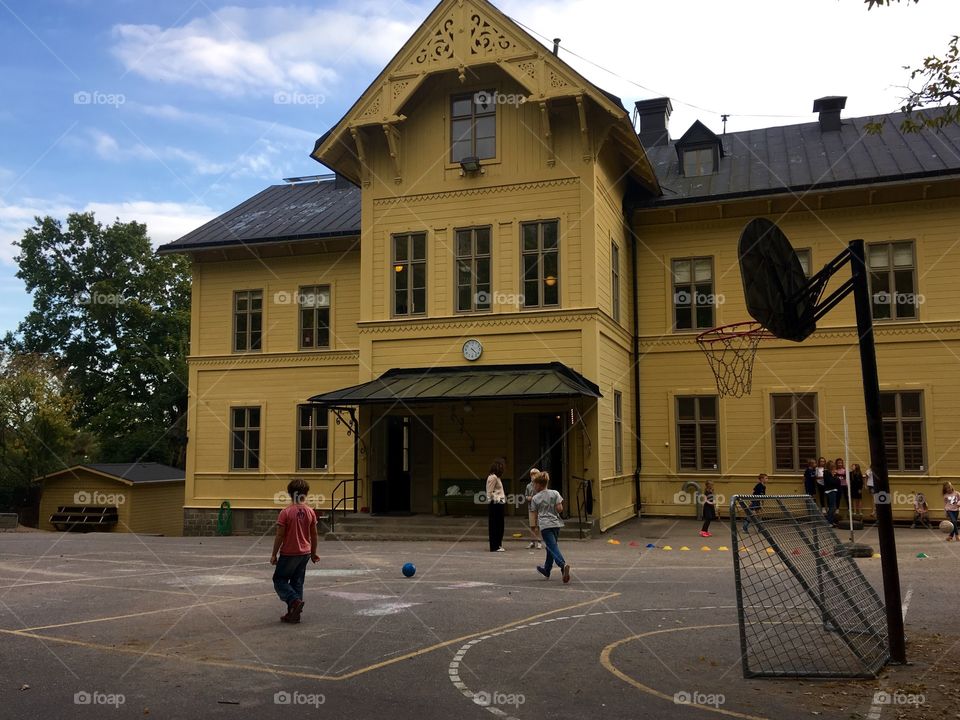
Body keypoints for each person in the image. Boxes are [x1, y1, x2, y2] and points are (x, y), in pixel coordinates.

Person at [271, 478, 320, 624]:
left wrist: (274, 554)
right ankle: (294, 614)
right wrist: (313, 552)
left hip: (289, 553)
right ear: (306, 494)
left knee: (279, 579)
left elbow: (280, 535)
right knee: (297, 582)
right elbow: (314, 534)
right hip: (304, 553)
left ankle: (294, 602)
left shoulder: (285, 512)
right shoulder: (310, 511)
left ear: (289, 494)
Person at [531, 472, 570, 583]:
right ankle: (547, 570)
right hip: (556, 524)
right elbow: (560, 508)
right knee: (551, 547)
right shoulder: (555, 493)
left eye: (535, 484)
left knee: (552, 547)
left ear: (539, 484)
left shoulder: (535, 498)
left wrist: (535, 530)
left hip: (545, 525)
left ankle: (563, 565)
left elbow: (534, 515)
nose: (534, 487)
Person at [486, 458, 507, 552]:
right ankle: (494, 546)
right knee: (495, 525)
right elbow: (489, 492)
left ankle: (498, 544)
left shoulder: (497, 477)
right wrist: (498, 499)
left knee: (499, 525)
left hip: (499, 503)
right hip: (495, 503)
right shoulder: (493, 477)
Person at [525, 468, 543, 550]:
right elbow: (526, 496)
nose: (533, 476)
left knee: (538, 526)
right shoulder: (528, 486)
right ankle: (532, 542)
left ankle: (539, 542)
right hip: (531, 508)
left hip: (539, 508)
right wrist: (529, 498)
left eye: (535, 474)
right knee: (532, 525)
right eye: (532, 474)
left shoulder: (540, 485)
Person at [823, 460, 840, 527]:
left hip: (833, 490)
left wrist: (835, 477)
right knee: (832, 507)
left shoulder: (830, 473)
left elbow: (837, 482)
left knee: (833, 507)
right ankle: (828, 521)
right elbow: (831, 482)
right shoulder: (827, 473)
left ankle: (831, 521)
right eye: (833, 467)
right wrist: (834, 477)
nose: (834, 468)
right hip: (830, 491)